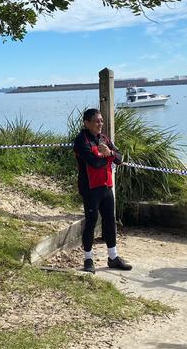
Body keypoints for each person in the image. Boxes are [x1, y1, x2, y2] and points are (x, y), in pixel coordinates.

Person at [73, 108, 132, 273]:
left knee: (109, 221)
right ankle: (88, 259)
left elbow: (120, 158)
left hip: (106, 186)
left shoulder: (104, 138)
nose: (100, 124)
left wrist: (110, 152)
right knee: (91, 222)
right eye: (96, 121)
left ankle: (113, 257)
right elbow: (95, 163)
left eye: (101, 121)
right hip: (90, 188)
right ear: (87, 123)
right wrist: (108, 156)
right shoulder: (81, 141)